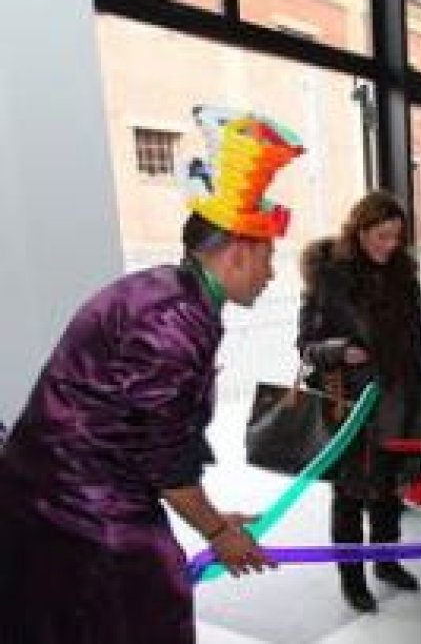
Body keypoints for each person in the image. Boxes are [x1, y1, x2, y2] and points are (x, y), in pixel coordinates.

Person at [0, 107, 297, 643]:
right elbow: (163, 455)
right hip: (74, 493)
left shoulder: (173, 297)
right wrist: (216, 531)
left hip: (68, 482)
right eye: (268, 257)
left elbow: (169, 434)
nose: (272, 273)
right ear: (237, 252)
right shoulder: (172, 320)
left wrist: (215, 515)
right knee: (149, 595)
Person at [298, 192, 421, 612]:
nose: (390, 245)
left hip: (399, 395)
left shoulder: (403, 275)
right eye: (381, 236)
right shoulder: (331, 279)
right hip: (352, 402)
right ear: (359, 231)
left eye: (396, 237)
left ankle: (386, 561)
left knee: (388, 489)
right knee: (351, 493)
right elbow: (306, 345)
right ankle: (352, 578)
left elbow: (417, 339)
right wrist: (339, 349)